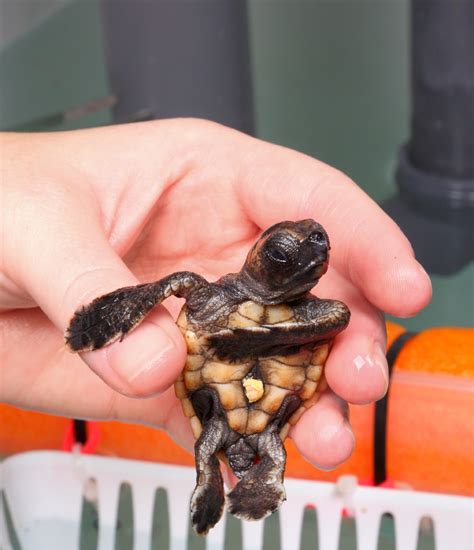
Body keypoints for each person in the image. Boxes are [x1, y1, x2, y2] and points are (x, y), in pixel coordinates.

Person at [0, 119, 431, 470]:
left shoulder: (320, 311)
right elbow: (174, 283)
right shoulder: (216, 294)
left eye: (320, 250)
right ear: (256, 259)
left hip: (240, 389)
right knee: (180, 281)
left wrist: (254, 341)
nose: (313, 247)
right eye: (284, 250)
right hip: (247, 387)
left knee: (234, 439)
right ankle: (227, 474)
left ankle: (234, 478)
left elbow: (337, 317)